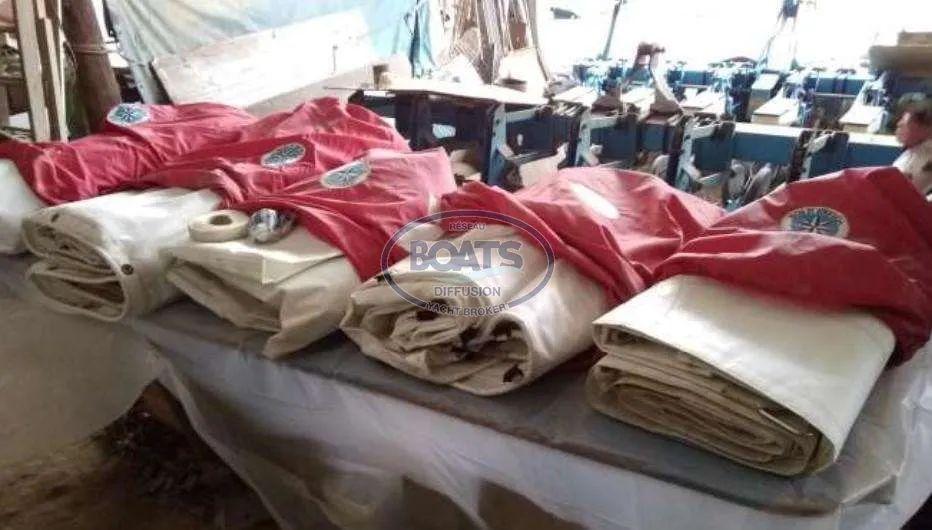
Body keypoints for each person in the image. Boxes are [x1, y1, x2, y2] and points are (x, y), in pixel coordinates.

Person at [893, 96, 932, 198]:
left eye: (905, 122)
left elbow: (902, 197)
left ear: (926, 128)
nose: (899, 124)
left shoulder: (925, 156)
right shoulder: (913, 151)